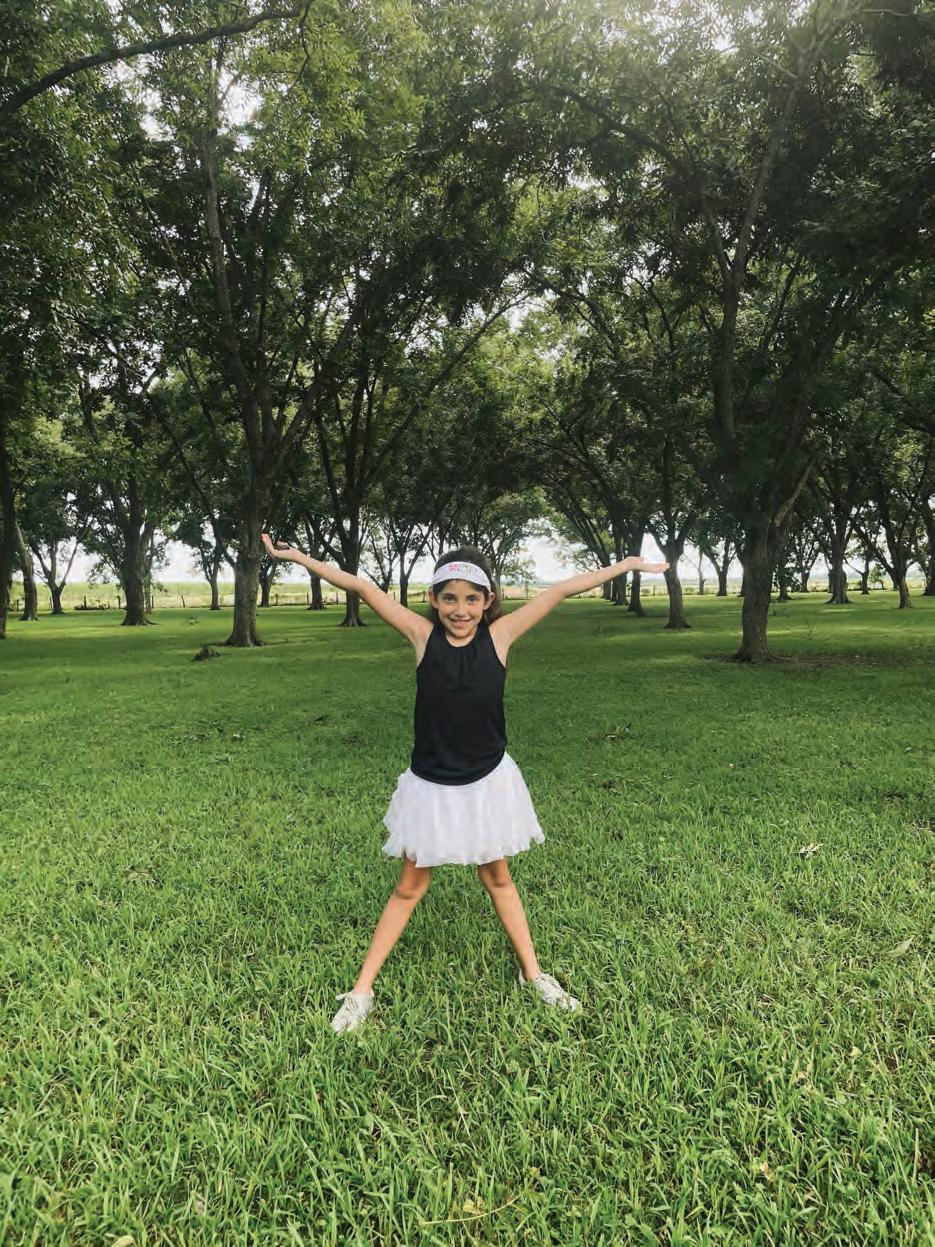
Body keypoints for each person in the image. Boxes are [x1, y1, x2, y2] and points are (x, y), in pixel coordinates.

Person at [261, 532, 668, 1034]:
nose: (461, 610)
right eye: (450, 598)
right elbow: (362, 587)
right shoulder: (420, 635)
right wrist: (297, 556)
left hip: (486, 784)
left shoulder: (500, 637)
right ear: (433, 600)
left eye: (472, 599)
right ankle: (361, 990)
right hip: (431, 786)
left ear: (488, 601)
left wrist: (626, 564)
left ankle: (534, 975)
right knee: (409, 887)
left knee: (498, 878)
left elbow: (560, 590)